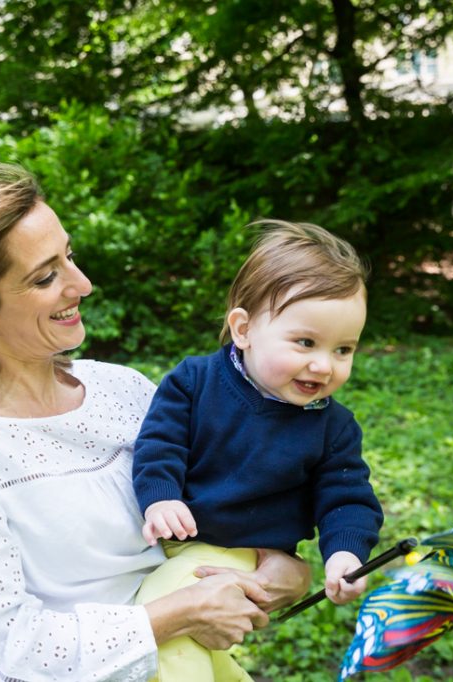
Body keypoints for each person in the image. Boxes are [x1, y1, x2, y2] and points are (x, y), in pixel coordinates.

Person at [0, 163, 312, 681]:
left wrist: (278, 568)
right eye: (46, 276)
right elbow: (2, 659)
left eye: (69, 257)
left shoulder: (126, 390)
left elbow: (213, 519)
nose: (83, 284)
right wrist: (178, 614)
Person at [132, 221, 384, 681]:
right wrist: (161, 495)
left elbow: (346, 498)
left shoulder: (333, 427)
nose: (323, 365)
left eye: (344, 349)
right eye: (305, 342)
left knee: (164, 616)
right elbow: (159, 441)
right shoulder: (194, 381)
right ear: (244, 329)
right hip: (174, 538)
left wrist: (345, 553)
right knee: (203, 654)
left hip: (242, 552)